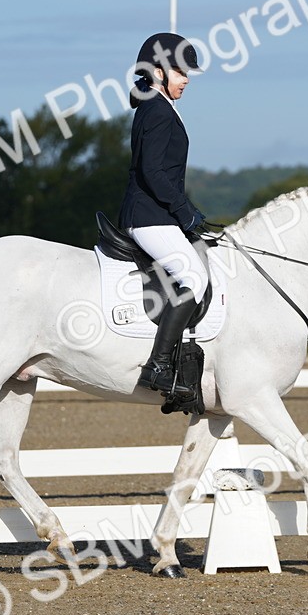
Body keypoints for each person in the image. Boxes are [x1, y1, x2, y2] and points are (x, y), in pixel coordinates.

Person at [118, 32, 210, 398]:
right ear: (157, 71)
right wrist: (184, 210)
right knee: (195, 277)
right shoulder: (156, 109)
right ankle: (158, 365)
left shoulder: (156, 104)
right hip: (149, 216)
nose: (186, 79)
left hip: (156, 214)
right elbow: (152, 172)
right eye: (180, 71)